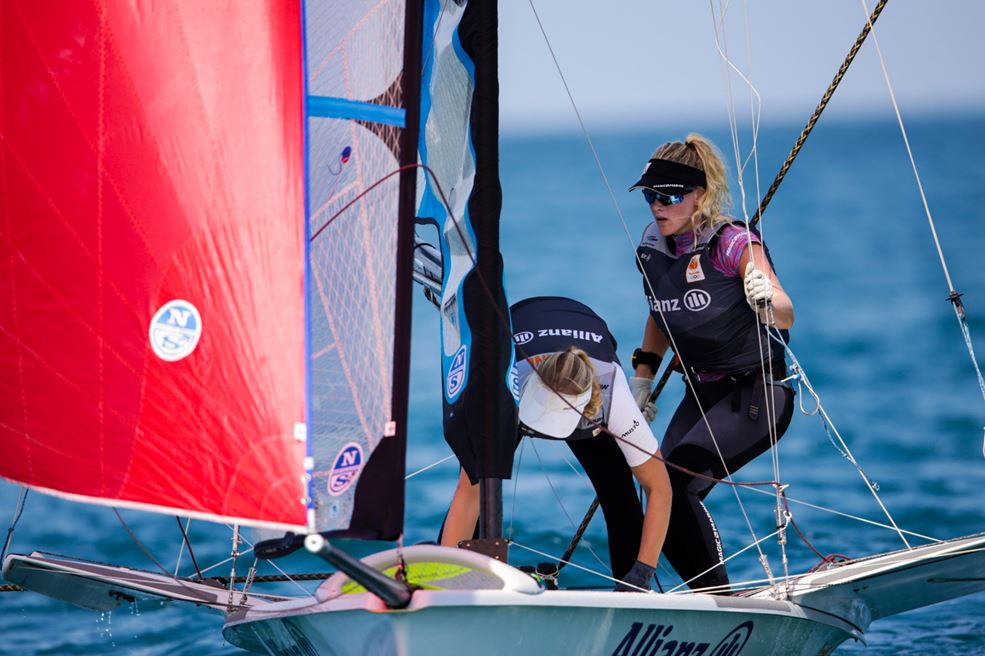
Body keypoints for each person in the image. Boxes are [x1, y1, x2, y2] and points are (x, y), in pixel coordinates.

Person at [627, 134, 796, 592]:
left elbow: (785, 309)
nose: (656, 207)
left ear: (698, 195)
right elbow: (660, 312)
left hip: (755, 395)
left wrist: (766, 297)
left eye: (668, 196)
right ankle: (709, 598)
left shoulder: (733, 242)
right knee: (659, 488)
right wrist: (641, 380)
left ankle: (720, 598)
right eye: (650, 196)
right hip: (701, 393)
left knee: (675, 486)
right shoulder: (653, 246)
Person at [441, 296, 671, 591]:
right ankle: (454, 573)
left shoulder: (613, 395)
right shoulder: (505, 383)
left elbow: (659, 488)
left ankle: (630, 589)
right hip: (522, 338)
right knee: (480, 482)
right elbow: (467, 493)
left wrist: (643, 572)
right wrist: (444, 579)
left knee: (619, 492)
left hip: (586, 331)